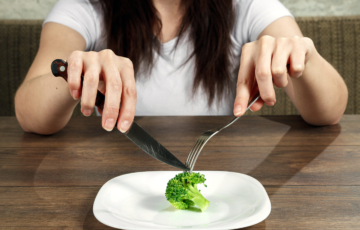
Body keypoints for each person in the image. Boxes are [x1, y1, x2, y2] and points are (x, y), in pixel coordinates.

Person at [15, 0, 348, 135]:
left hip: (223, 177)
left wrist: (303, 54)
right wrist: (74, 71)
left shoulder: (247, 4)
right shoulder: (84, 7)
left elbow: (330, 110)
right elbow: (30, 113)